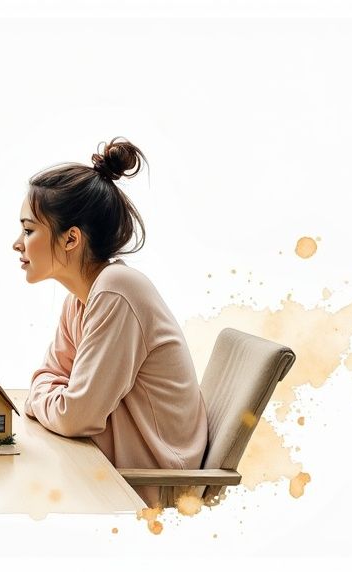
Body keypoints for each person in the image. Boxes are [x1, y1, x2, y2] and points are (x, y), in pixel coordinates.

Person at [13, 137, 207, 508]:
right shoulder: (81, 300)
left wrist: (44, 399)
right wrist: (51, 397)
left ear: (71, 238)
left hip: (148, 487)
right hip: (104, 468)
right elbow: (49, 379)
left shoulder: (116, 292)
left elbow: (75, 416)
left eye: (28, 230)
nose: (17, 243)